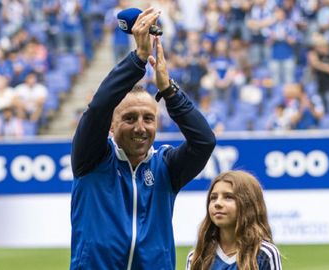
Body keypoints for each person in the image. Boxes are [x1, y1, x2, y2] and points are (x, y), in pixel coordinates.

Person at [70, 7, 216, 270]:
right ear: (111, 126)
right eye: (129, 118)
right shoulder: (91, 159)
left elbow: (204, 142)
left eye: (148, 118)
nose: (140, 127)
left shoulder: (166, 167)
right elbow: (100, 106)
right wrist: (138, 58)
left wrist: (169, 91)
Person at [186, 170, 282, 270]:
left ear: (248, 203)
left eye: (228, 197)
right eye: (213, 198)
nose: (217, 203)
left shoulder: (264, 254)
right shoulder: (196, 257)